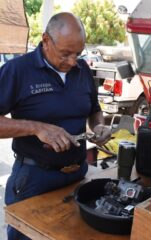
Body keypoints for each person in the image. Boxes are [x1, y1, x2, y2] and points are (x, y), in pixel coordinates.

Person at [0, 12, 111, 240]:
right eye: (65, 54)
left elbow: (94, 110)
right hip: (34, 178)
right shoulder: (17, 70)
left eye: (78, 54)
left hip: (78, 173)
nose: (73, 62)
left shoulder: (82, 70)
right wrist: (37, 128)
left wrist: (100, 127)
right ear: (46, 40)